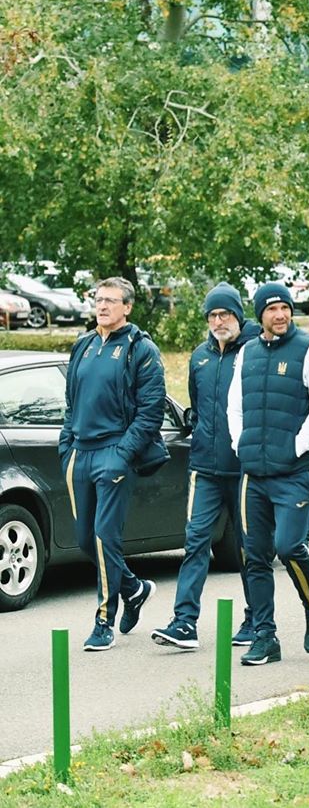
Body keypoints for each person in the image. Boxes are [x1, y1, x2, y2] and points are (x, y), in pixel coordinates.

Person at [226, 282, 309, 666]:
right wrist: (240, 443)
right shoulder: (247, 352)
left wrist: (297, 446)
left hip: (293, 472)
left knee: (289, 546)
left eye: (285, 308)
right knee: (254, 557)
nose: (280, 315)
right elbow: (235, 406)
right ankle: (265, 637)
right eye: (271, 309)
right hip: (253, 474)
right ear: (260, 315)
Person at [59, 277, 167, 651]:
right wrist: (66, 447)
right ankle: (134, 588)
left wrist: (122, 454)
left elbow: (151, 411)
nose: (102, 306)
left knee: (106, 536)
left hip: (114, 452)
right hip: (79, 453)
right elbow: (71, 402)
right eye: (99, 299)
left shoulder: (141, 349)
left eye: (111, 300)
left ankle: (103, 620)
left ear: (127, 307)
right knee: (85, 539)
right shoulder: (84, 345)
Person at [151, 283, 259, 651]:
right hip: (205, 468)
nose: (218, 321)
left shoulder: (255, 352)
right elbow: (196, 407)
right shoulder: (199, 357)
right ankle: (184, 622)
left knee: (248, 547)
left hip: (244, 469)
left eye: (224, 314)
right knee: (195, 540)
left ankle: (256, 618)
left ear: (238, 315)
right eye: (212, 315)